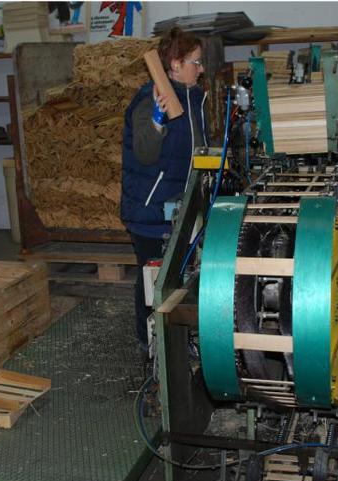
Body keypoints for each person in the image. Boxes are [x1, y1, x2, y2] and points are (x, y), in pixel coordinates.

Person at [120, 27, 207, 351]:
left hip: (183, 207)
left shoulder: (194, 98)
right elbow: (144, 152)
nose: (201, 69)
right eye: (195, 62)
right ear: (174, 63)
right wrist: (156, 122)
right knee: (152, 284)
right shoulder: (150, 99)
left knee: (180, 281)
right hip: (151, 208)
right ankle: (149, 346)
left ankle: (178, 344)